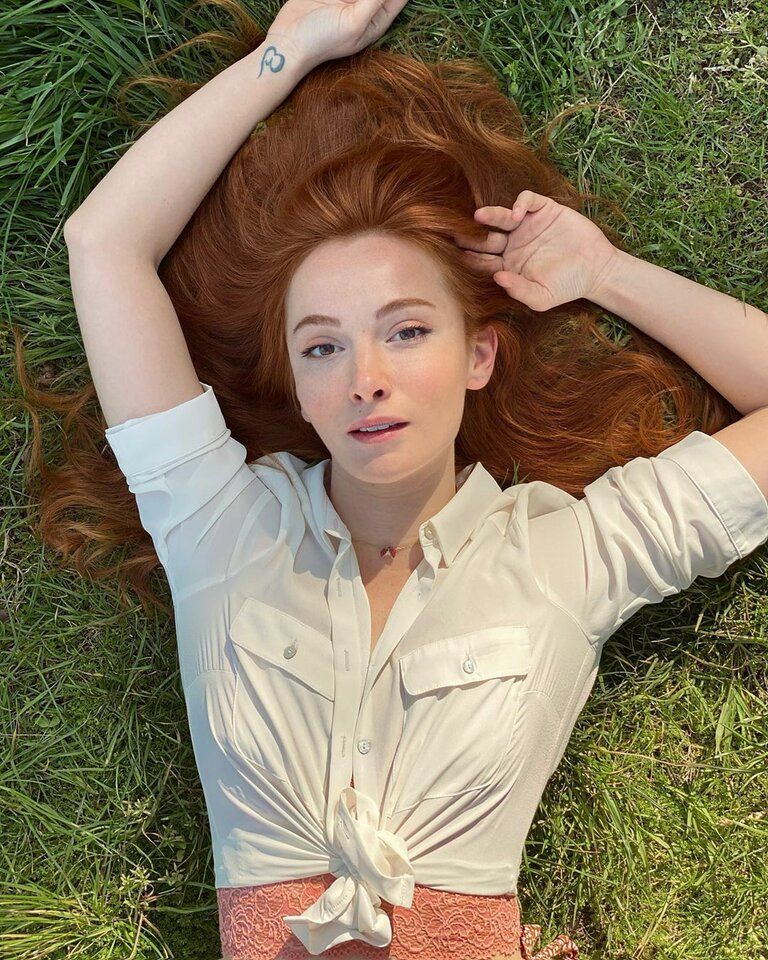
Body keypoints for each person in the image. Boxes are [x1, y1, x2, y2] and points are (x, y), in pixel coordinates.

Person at [41, 0, 768, 956]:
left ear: (479, 357)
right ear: (299, 389)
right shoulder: (217, 530)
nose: (366, 377)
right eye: (323, 346)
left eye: (408, 330)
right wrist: (288, 50)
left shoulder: (570, 558)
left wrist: (603, 274)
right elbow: (103, 245)